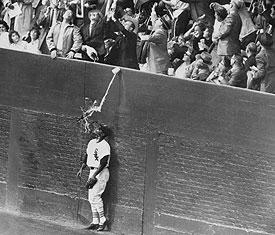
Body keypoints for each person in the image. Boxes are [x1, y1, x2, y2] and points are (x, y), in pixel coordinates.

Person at [77, 122, 111, 232]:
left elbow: (103, 162)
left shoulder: (105, 145)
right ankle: (95, 221)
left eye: (99, 129)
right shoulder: (91, 142)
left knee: (96, 196)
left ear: (102, 133)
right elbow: (87, 156)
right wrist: (82, 168)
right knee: (91, 198)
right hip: (92, 171)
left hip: (100, 172)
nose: (96, 130)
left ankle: (102, 220)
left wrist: (94, 176)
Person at [146, 3, 171, 74]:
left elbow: (149, 38)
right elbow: (154, 20)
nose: (156, 21)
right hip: (157, 63)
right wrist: (153, 10)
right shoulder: (159, 29)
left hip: (159, 65)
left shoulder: (161, 33)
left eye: (158, 20)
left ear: (160, 24)